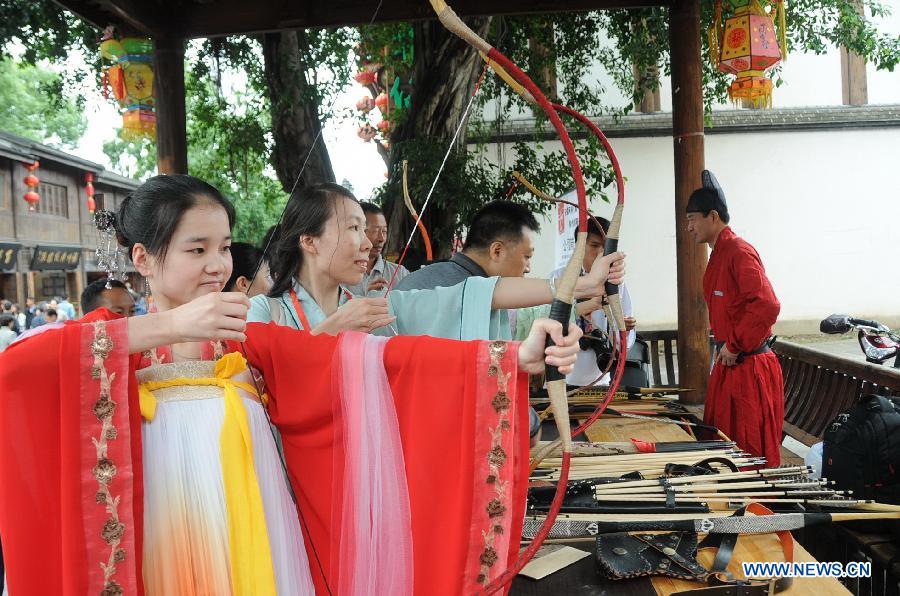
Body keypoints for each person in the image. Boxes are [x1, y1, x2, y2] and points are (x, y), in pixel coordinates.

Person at [0, 174, 583, 595]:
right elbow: (18, 368)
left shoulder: (247, 338)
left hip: (255, 540)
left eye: (224, 248)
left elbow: (380, 364)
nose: (217, 265)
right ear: (144, 259)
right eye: (195, 249)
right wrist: (170, 325)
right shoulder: (110, 339)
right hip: (155, 541)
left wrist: (514, 356)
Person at [248, 185, 624, 343]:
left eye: (366, 229)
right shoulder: (264, 312)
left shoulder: (377, 311)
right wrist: (332, 329)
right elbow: (258, 389)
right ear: (308, 240)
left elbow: (478, 294)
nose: (367, 243)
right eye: (352, 228)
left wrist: (581, 285)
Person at [686, 170, 783, 466]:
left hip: (748, 366)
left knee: (748, 452)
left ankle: (756, 509)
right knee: (722, 445)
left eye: (692, 218)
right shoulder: (719, 254)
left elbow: (767, 304)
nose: (688, 227)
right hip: (731, 363)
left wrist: (735, 344)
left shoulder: (739, 252)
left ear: (712, 216)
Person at [517, 216, 638, 386]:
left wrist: (623, 329)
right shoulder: (558, 279)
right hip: (559, 380)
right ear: (579, 247)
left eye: (606, 247)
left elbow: (622, 344)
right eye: (594, 245)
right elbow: (543, 325)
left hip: (599, 382)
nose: (601, 253)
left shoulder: (616, 284)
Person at [396, 200, 538, 292]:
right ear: (497, 251)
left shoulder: (425, 277)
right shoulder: (466, 292)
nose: (528, 269)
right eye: (527, 256)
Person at [344, 202, 409, 296]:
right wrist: (368, 300)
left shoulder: (400, 273)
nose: (381, 239)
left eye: (384, 231)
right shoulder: (339, 274)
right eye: (374, 231)